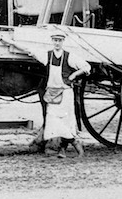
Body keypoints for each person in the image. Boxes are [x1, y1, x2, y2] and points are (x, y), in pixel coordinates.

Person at [13, 29, 91, 158]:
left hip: (65, 92)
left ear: (63, 42)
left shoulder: (69, 56)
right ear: (52, 41)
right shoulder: (47, 55)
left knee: (66, 121)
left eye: (59, 40)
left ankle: (79, 149)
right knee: (53, 121)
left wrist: (73, 75)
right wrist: (10, 42)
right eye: (55, 40)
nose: (57, 43)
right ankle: (61, 150)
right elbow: (29, 51)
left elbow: (86, 66)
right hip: (52, 93)